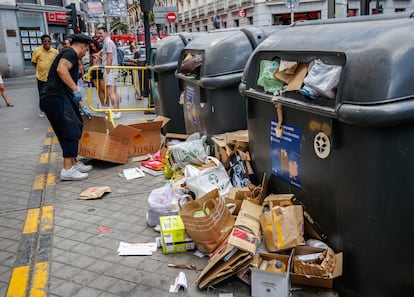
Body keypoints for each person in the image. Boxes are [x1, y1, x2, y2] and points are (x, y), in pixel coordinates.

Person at [39, 33, 93, 181]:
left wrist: (82, 105)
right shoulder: (70, 53)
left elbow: (67, 83)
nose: (85, 54)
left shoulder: (68, 54)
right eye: (86, 50)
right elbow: (61, 70)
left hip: (55, 97)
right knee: (71, 129)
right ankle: (68, 169)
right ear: (82, 46)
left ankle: (74, 163)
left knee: (71, 127)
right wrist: (76, 90)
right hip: (56, 97)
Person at [96, 26, 122, 119]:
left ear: (105, 33)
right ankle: (117, 111)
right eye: (98, 33)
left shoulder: (108, 42)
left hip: (110, 70)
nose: (99, 35)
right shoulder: (108, 42)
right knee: (114, 91)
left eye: (101, 33)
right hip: (112, 69)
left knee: (111, 91)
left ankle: (115, 112)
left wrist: (107, 70)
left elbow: (109, 57)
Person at [31, 34, 58, 117]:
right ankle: (42, 110)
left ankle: (53, 109)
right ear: (42, 42)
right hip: (41, 77)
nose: (47, 43)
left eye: (49, 41)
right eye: (45, 41)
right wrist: (40, 68)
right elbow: (34, 62)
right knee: (42, 94)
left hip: (52, 78)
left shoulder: (55, 52)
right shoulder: (37, 51)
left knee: (53, 93)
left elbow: (57, 63)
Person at [89, 39, 106, 107]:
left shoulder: (101, 51)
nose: (93, 48)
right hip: (93, 70)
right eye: (92, 47)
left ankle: (107, 103)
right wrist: (91, 58)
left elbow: (105, 61)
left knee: (103, 88)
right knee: (98, 89)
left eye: (94, 46)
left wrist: (99, 56)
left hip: (101, 70)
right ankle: (103, 105)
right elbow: (90, 64)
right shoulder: (91, 53)